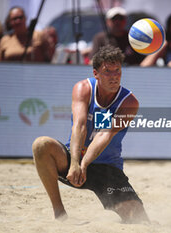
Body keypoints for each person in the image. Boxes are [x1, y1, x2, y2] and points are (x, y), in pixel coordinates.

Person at [32, 45, 149, 223]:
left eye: (117, 71)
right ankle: (59, 213)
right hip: (74, 159)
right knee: (41, 144)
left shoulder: (129, 102)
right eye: (107, 71)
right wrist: (75, 163)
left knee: (139, 220)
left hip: (107, 168)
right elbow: (79, 126)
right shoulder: (83, 88)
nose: (114, 76)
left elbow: (104, 135)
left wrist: (84, 164)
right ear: (96, 73)